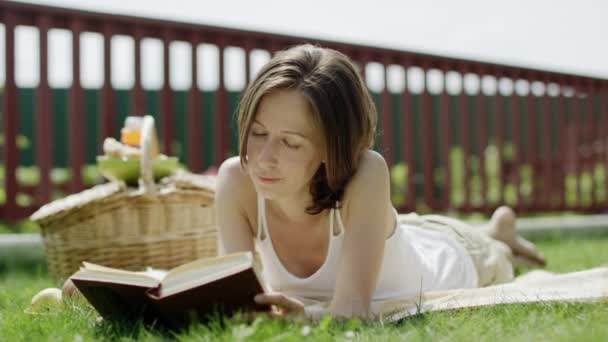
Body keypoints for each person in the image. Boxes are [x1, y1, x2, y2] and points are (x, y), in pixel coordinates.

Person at [215, 44, 546, 320]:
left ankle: (499, 235)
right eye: (258, 134)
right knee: (414, 232)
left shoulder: (366, 171)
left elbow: (351, 310)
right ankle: (495, 229)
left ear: (333, 147)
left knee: (494, 252)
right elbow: (236, 304)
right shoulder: (235, 180)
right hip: (402, 235)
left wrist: (304, 318)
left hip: (455, 255)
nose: (263, 158)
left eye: (290, 142)